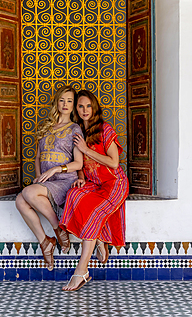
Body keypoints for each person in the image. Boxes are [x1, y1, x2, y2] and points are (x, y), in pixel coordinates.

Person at [60, 89, 129, 291]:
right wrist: (81, 178)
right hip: (93, 183)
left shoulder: (104, 129)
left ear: (94, 107)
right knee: (73, 194)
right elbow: (79, 162)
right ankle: (98, 238)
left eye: (88, 105)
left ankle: (81, 271)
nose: (84, 110)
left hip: (114, 183)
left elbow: (114, 163)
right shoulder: (78, 131)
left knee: (92, 212)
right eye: (80, 106)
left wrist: (86, 149)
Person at [16, 85, 83, 271]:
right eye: (62, 100)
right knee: (20, 201)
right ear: (56, 102)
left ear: (74, 105)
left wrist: (55, 170)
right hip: (46, 181)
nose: (65, 104)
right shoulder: (46, 126)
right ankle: (45, 242)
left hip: (64, 181)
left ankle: (57, 228)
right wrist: (39, 176)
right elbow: (38, 156)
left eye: (70, 101)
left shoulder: (75, 129)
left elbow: (79, 163)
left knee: (27, 192)